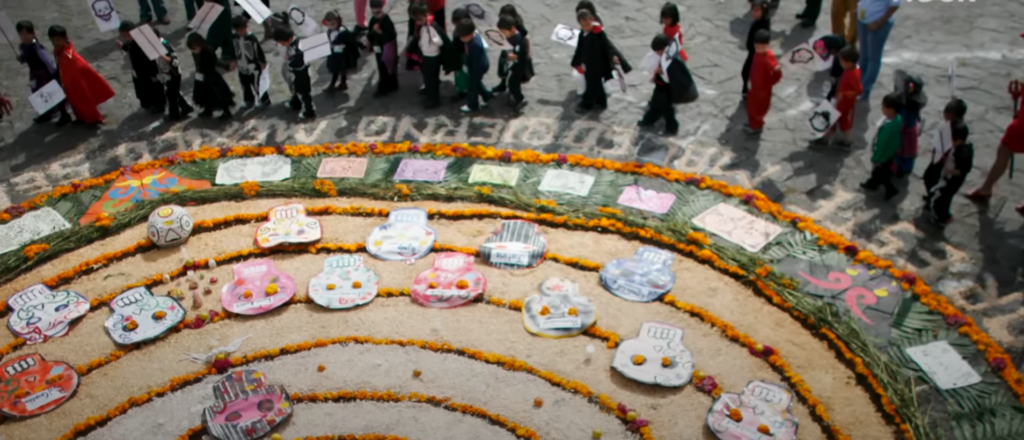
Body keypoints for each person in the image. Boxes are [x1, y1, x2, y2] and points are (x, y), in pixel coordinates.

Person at [48, 25, 115, 125]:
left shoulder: (68, 55)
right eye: (53, 40)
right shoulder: (61, 52)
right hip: (70, 82)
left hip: (77, 82)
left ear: (65, 39)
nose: (55, 43)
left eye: (58, 40)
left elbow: (75, 66)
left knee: (84, 100)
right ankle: (82, 118)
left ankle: (93, 119)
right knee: (75, 102)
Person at [571, 9, 631, 113]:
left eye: (588, 24)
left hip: (598, 65)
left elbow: (608, 47)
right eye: (583, 25)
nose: (586, 27)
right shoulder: (582, 33)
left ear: (592, 20)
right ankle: (601, 102)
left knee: (592, 84)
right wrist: (577, 62)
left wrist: (613, 56)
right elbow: (580, 48)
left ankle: (587, 103)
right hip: (587, 64)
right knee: (595, 84)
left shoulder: (599, 33)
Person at [638, 34, 698, 136]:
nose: (658, 53)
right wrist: (657, 74)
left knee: (665, 108)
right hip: (661, 85)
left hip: (667, 88)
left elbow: (673, 76)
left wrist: (662, 72)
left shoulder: (673, 59)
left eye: (658, 51)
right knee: (656, 104)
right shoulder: (667, 55)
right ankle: (648, 120)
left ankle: (672, 126)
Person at [16, 20, 70, 124]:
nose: (24, 36)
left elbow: (47, 61)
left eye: (26, 33)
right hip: (34, 74)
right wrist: (20, 58)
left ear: (32, 33)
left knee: (52, 93)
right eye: (21, 33)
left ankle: (64, 114)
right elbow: (24, 58)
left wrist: (54, 73)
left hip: (45, 74)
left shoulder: (36, 48)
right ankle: (45, 113)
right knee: (38, 94)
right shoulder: (23, 46)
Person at [811, 45, 860, 148]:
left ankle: (825, 140)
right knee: (844, 121)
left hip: (842, 103)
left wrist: (844, 94)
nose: (840, 63)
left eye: (841, 61)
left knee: (831, 119)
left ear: (848, 62)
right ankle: (847, 141)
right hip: (845, 103)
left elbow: (859, 89)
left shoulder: (852, 74)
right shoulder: (854, 69)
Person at [925, 121, 972, 226]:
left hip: (952, 181)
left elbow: (963, 170)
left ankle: (943, 218)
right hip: (948, 177)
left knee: (943, 200)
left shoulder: (964, 154)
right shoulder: (960, 147)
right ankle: (941, 214)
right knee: (941, 197)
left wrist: (949, 171)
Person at [860, 92, 903, 200]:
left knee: (882, 174)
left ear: (891, 110)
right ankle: (873, 184)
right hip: (890, 153)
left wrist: (876, 158)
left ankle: (891, 190)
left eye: (884, 108)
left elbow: (881, 144)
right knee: (879, 173)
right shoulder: (898, 119)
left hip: (882, 156)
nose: (881, 109)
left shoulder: (887, 128)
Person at [118, 21, 166, 113]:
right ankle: (149, 104)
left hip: (149, 71)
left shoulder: (143, 41)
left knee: (155, 89)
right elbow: (129, 48)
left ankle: (159, 106)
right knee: (143, 89)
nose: (126, 37)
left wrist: (154, 74)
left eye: (126, 34)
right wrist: (122, 46)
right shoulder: (131, 41)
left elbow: (152, 59)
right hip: (139, 71)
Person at [923, 99, 967, 198]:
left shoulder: (958, 131)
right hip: (937, 160)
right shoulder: (948, 125)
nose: (945, 116)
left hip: (943, 163)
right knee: (928, 178)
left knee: (933, 181)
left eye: (948, 114)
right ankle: (930, 195)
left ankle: (932, 197)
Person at [857, 0, 901, 99]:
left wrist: (879, 22)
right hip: (862, 20)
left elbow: (895, 5)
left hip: (877, 24)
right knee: (863, 55)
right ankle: (857, 83)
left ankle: (865, 89)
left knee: (873, 58)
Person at [186, 32, 234, 120]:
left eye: (197, 46)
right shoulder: (195, 52)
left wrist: (226, 66)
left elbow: (216, 62)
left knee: (218, 94)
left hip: (211, 76)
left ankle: (226, 111)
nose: (196, 48)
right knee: (204, 95)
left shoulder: (208, 51)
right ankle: (208, 110)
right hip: (201, 76)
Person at [408, 2, 447, 108]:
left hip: (433, 57)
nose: (417, 22)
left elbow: (441, 41)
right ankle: (429, 93)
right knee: (427, 76)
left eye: (419, 19)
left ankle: (433, 100)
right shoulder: (423, 25)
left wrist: (433, 41)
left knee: (432, 79)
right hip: (426, 55)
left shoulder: (431, 27)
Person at [272, 28, 315, 120]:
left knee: (303, 93)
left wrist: (290, 60)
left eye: (283, 43)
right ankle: (295, 103)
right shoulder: (293, 44)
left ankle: (309, 111)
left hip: (301, 74)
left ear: (290, 38)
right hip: (295, 74)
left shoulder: (297, 48)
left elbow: (299, 63)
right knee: (294, 89)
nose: (282, 45)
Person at [152, 28, 194, 121]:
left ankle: (174, 114)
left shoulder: (165, 45)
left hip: (173, 74)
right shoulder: (156, 46)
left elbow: (174, 61)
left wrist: (164, 57)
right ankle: (186, 107)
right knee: (174, 93)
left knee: (171, 94)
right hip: (166, 74)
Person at [745, 29, 781, 135]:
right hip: (754, 86)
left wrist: (776, 71)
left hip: (762, 90)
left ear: (768, 45)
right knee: (751, 106)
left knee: (758, 108)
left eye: (762, 47)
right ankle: (753, 123)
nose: (760, 50)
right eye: (757, 47)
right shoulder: (759, 54)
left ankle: (756, 126)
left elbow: (776, 72)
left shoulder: (768, 58)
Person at [230, 15, 270, 108]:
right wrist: (233, 60)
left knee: (257, 84)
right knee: (245, 84)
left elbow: (259, 50)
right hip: (241, 66)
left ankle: (264, 99)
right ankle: (248, 100)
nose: (240, 32)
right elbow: (232, 49)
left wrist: (262, 62)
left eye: (241, 30)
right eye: (237, 30)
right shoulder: (233, 37)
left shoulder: (251, 38)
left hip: (253, 66)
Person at [496, 14, 533, 109]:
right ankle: (514, 97)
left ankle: (520, 99)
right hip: (512, 65)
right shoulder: (510, 37)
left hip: (519, 67)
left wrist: (516, 56)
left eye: (504, 32)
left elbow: (524, 55)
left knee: (513, 83)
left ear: (512, 28)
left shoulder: (520, 40)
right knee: (511, 82)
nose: (503, 34)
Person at [894, 72, 926, 176]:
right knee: (909, 152)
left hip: (904, 130)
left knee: (902, 151)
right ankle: (906, 168)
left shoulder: (905, 110)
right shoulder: (914, 105)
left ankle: (900, 169)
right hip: (911, 129)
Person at [456, 20, 492, 113]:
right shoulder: (473, 38)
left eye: (464, 36)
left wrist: (471, 72)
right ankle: (486, 95)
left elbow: (476, 63)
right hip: (479, 65)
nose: (462, 38)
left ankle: (473, 105)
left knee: (472, 86)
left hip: (477, 68)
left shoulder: (475, 45)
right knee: (476, 83)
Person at [493, 4, 530, 94]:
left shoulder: (518, 26)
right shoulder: (504, 22)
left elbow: (526, 38)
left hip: (514, 51)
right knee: (503, 66)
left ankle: (514, 89)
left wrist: (527, 52)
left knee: (514, 71)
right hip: (506, 47)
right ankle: (502, 84)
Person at [368, 0, 399, 97]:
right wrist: (369, 42)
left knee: (388, 67)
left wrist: (380, 32)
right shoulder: (373, 20)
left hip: (387, 48)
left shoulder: (386, 20)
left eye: (378, 12)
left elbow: (392, 35)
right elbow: (370, 33)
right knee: (381, 68)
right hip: (378, 48)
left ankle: (385, 87)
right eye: (373, 12)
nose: (375, 15)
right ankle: (388, 85)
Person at [741, 0, 771, 98]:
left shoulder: (762, 25)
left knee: (749, 73)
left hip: (756, 54)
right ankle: (747, 91)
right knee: (746, 73)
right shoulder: (758, 21)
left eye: (757, 11)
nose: (754, 13)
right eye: (753, 10)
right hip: (752, 53)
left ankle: (750, 92)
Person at [324, 11, 359, 93]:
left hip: (343, 56)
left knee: (342, 70)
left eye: (333, 24)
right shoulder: (329, 32)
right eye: (328, 24)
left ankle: (341, 84)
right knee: (335, 71)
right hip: (334, 55)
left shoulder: (343, 32)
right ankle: (334, 84)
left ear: (338, 21)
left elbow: (351, 41)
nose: (331, 27)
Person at [450, 8, 470, 102]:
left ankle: (462, 92)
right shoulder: (462, 30)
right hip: (459, 56)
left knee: (461, 75)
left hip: (462, 57)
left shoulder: (463, 33)